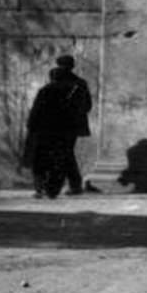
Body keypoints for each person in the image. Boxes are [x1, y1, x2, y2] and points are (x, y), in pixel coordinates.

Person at [22, 62, 81, 201]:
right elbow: (74, 113)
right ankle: (52, 190)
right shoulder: (70, 92)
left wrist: (31, 127)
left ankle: (40, 188)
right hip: (61, 133)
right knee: (58, 161)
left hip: (43, 132)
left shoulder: (45, 91)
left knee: (40, 161)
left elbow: (36, 111)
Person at [54, 53, 93, 195]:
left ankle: (72, 185)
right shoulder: (80, 83)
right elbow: (88, 105)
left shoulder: (56, 83)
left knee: (63, 153)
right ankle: (73, 184)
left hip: (59, 124)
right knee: (66, 153)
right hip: (72, 125)